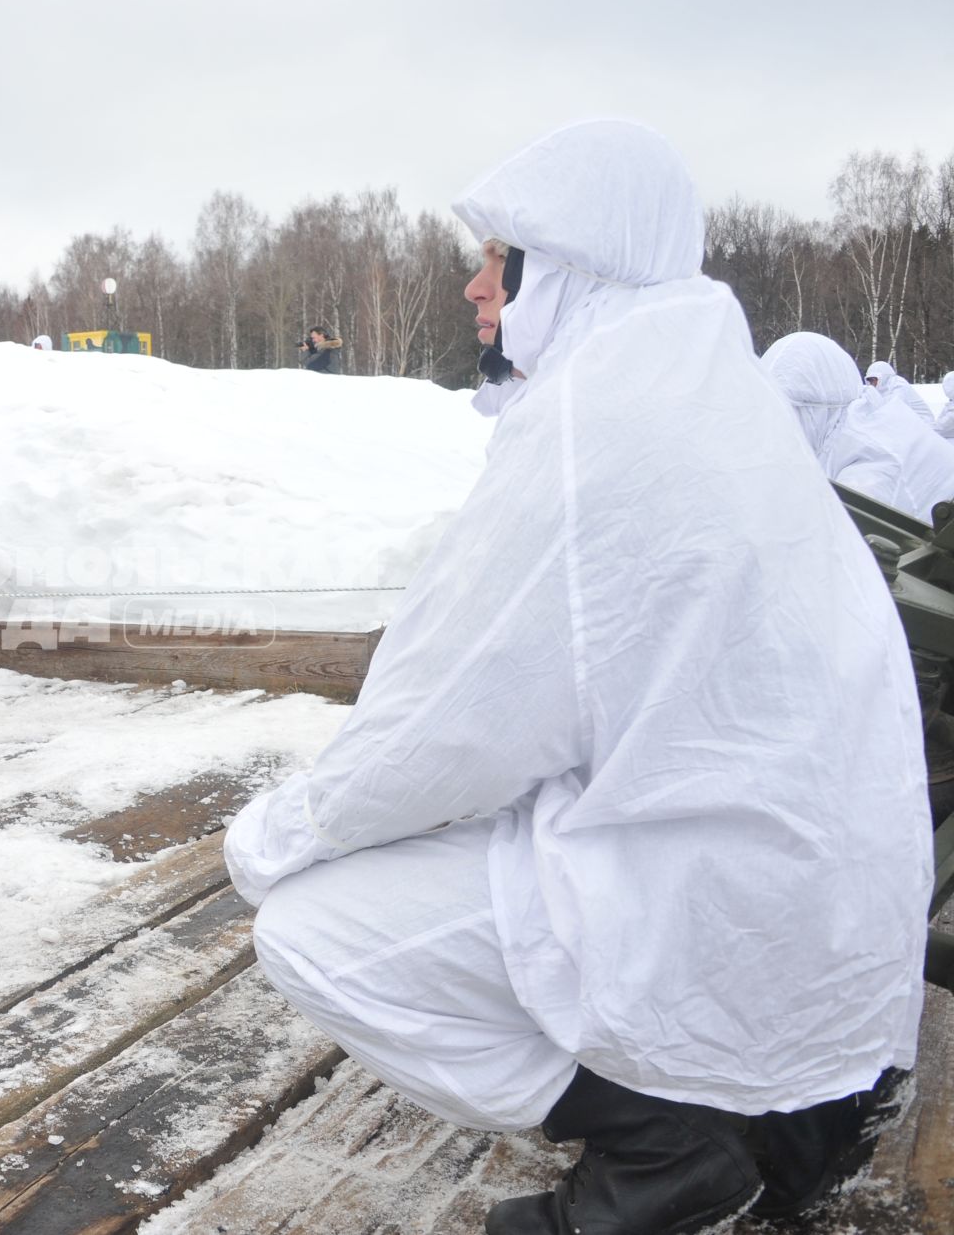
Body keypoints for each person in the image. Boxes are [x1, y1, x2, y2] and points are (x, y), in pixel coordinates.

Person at [226, 120, 930, 1235]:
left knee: (312, 928)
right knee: (491, 846)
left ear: (571, 261)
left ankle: (669, 1152)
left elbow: (438, 727)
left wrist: (272, 838)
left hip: (733, 903)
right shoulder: (709, 394)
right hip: (819, 946)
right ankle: (725, 1120)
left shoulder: (599, 424)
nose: (473, 286)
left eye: (498, 260)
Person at [764, 331, 954, 520]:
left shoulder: (869, 466)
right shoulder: (868, 417)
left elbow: (840, 536)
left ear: (813, 412)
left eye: (786, 413)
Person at [866, 358, 934, 423]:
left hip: (924, 424)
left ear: (883, 377)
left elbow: (896, 405)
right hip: (909, 424)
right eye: (870, 380)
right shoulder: (881, 389)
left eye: (874, 379)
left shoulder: (898, 384)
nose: (872, 383)